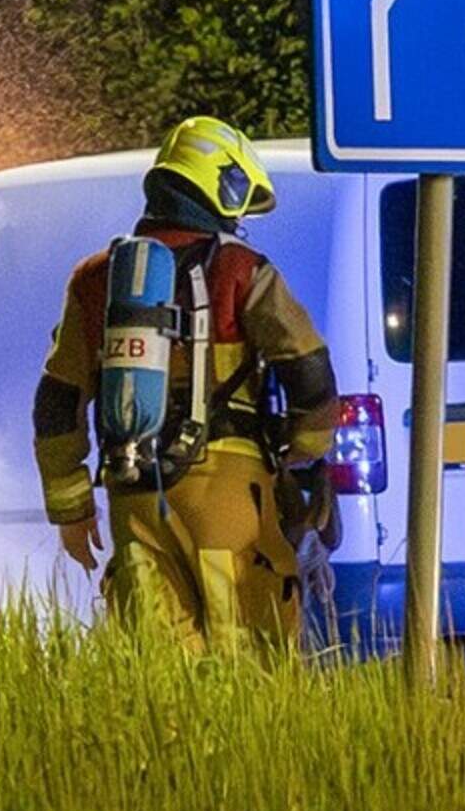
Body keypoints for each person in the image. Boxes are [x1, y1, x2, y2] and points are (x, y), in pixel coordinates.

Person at [34, 117, 345, 649]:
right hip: (228, 490)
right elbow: (310, 373)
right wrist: (305, 452)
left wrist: (72, 508)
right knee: (250, 652)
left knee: (162, 666)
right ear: (221, 186)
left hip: (133, 492)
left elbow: (56, 404)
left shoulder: (95, 280)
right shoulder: (242, 269)